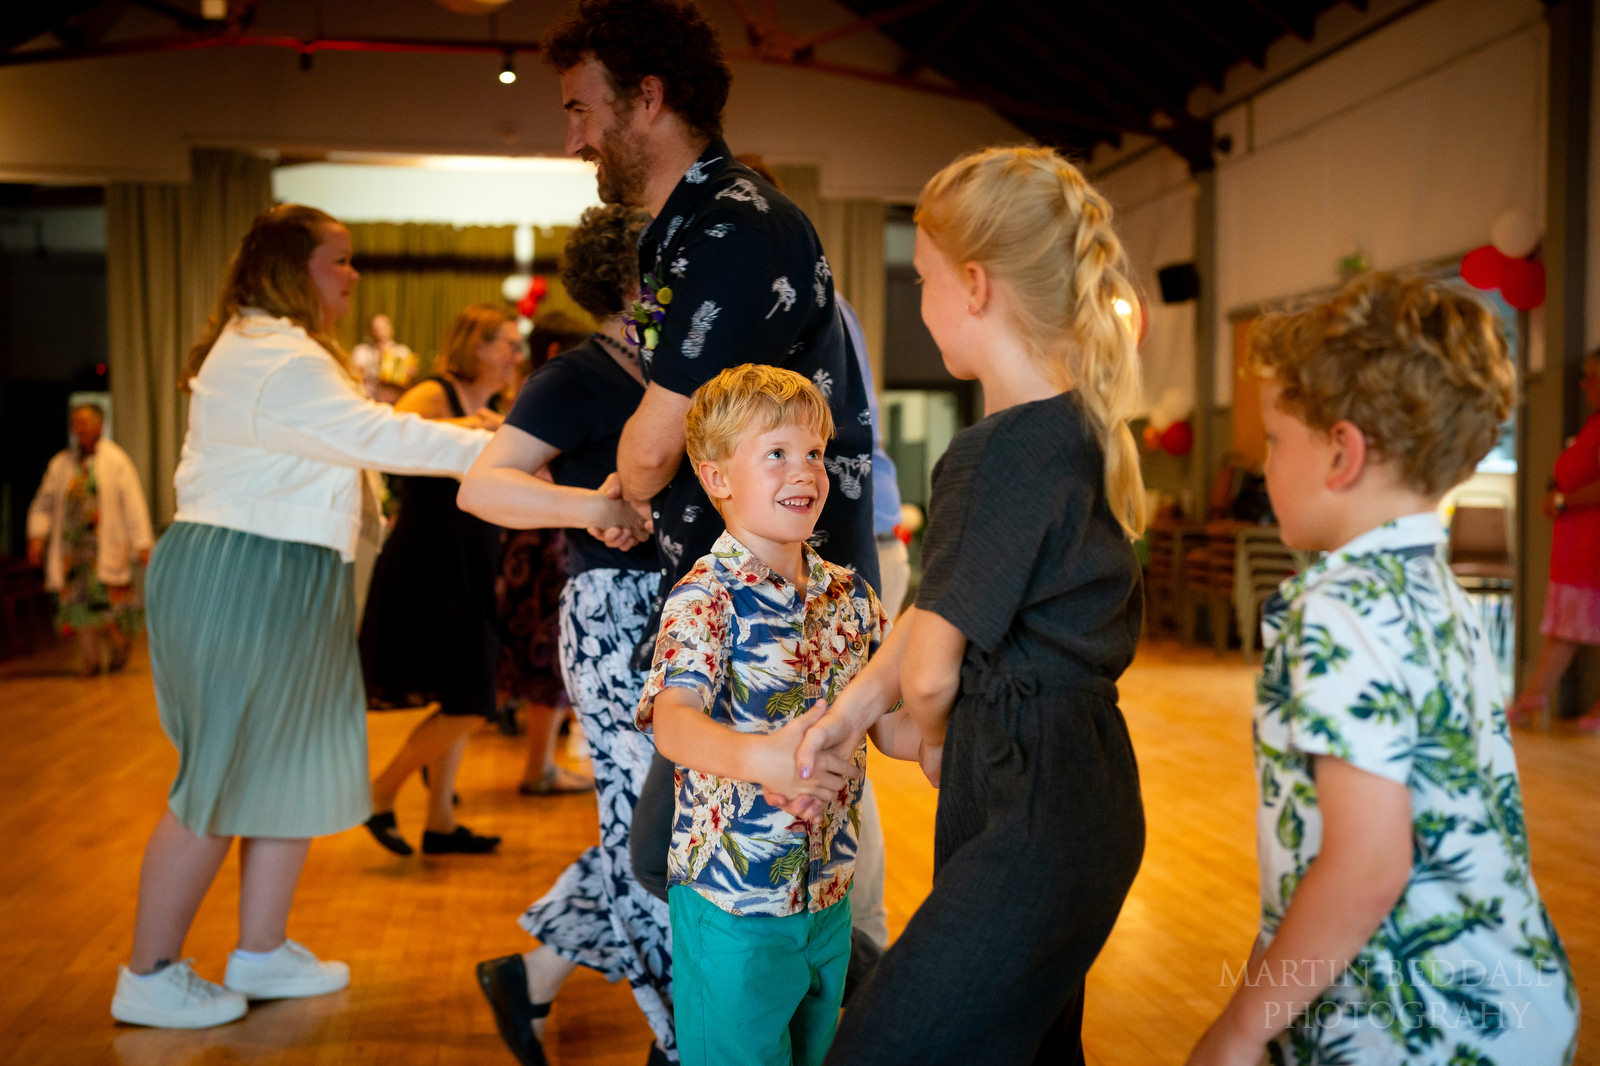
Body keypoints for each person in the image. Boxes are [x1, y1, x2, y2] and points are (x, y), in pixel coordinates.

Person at [793, 145, 1151, 1065]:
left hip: (1029, 804)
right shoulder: (1074, 432)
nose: (922, 301)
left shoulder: (995, 451)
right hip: (1078, 792)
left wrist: (927, 735)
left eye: (925, 279)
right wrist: (849, 718)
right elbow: (937, 612)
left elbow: (930, 668)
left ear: (977, 286)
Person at [545, 0, 881, 934]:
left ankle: (850, 999)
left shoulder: (735, 228)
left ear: (647, 98)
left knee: (786, 850)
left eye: (581, 109)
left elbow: (654, 447)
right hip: (738, 583)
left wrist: (627, 485)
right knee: (694, 851)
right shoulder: (691, 229)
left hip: (784, 597)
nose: (573, 138)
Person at [1185, 273, 1579, 1066]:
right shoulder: (1438, 589)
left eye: (1275, 439)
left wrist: (1241, 1028)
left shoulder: (1337, 609)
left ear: (1342, 452)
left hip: (1411, 1031)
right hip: (1515, 1005)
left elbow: (1366, 865)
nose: (1265, 464)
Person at [110, 204, 489, 1029]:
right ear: (291, 267)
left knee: (286, 764)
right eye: (339, 259)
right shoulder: (273, 355)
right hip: (246, 568)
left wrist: (477, 434)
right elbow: (378, 437)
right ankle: (149, 972)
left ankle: (263, 950)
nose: (353, 275)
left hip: (289, 568)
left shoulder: (277, 348)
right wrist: (494, 443)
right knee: (220, 774)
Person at [634, 364, 925, 1066]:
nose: (805, 471)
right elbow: (674, 722)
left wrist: (953, 734)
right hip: (730, 906)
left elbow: (891, 727)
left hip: (828, 896)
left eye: (815, 453)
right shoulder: (705, 597)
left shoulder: (851, 597)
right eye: (777, 453)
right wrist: (763, 757)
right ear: (717, 478)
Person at [461, 204, 676, 1066]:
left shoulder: (682, 366)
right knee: (658, 835)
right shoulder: (576, 376)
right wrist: (593, 506)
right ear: (631, 279)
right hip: (616, 617)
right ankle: (680, 1037)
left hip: (688, 611)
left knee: (656, 823)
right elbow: (484, 486)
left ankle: (531, 977)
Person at [359, 304, 518, 857]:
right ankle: (379, 793)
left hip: (471, 558)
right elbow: (384, 443)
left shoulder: (492, 407)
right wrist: (465, 428)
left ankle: (440, 821)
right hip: (429, 562)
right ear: (477, 345)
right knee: (473, 697)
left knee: (462, 692)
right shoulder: (434, 394)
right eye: (508, 344)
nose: (516, 356)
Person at [27, 402, 154, 675]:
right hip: (71, 551)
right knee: (77, 604)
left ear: (99, 426)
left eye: (84, 422)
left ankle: (119, 644)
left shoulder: (116, 460)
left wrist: (142, 543)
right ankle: (91, 660)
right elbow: (44, 502)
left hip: (103, 547)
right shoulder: (61, 463)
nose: (79, 428)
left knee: (108, 605)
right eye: (75, 423)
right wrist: (37, 535)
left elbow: (133, 505)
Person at [1510, 348, 1600, 731]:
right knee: (1565, 625)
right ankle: (1532, 698)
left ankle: (1535, 699)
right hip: (1576, 544)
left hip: (1592, 544)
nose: (1584, 384)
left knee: (1570, 624)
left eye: (1592, 376)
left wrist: (1563, 500)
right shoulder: (1591, 424)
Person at [350, 312, 418, 403]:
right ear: (369, 332)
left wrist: (409, 377)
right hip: (366, 401)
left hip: (394, 402)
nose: (380, 332)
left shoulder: (402, 352)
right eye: (376, 328)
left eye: (384, 327)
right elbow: (354, 378)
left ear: (391, 329)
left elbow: (408, 385)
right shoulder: (361, 352)